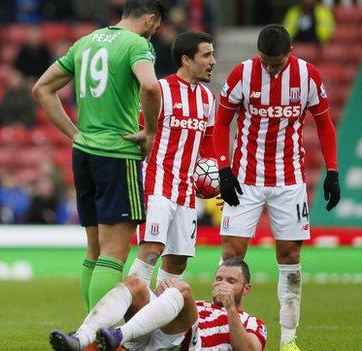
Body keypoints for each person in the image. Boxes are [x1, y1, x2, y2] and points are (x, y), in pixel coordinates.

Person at [213, 24, 340, 351]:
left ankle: (288, 338)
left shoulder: (308, 76)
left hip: (288, 180)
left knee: (290, 256)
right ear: (258, 54)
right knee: (231, 255)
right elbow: (222, 122)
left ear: (290, 53)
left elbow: (324, 124)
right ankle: (221, 330)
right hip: (245, 180)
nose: (270, 68)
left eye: (277, 64)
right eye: (266, 62)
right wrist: (224, 170)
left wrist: (333, 171)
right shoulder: (242, 75)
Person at [32, 0, 163, 313]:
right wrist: (151, 132)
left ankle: (89, 333)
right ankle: (99, 334)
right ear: (149, 20)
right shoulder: (137, 45)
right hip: (118, 154)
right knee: (113, 254)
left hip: (84, 153)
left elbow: (41, 89)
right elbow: (151, 86)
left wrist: (75, 134)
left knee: (94, 251)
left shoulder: (85, 42)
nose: (154, 33)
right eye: (155, 27)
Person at [128, 32, 216, 289]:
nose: (213, 61)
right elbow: (140, 133)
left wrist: (213, 173)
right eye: (207, 55)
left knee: (177, 261)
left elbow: (207, 143)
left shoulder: (208, 98)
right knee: (151, 251)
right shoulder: (160, 90)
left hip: (187, 191)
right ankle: (131, 318)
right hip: (156, 183)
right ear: (187, 60)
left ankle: (157, 322)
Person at [50, 257, 266, 351]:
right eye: (219, 279)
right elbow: (155, 314)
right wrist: (162, 295)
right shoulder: (200, 305)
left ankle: (118, 335)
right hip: (151, 337)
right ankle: (80, 338)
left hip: (184, 346)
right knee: (135, 284)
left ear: (246, 289)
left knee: (182, 289)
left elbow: (248, 349)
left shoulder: (253, 323)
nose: (222, 285)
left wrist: (230, 309)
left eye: (231, 281)